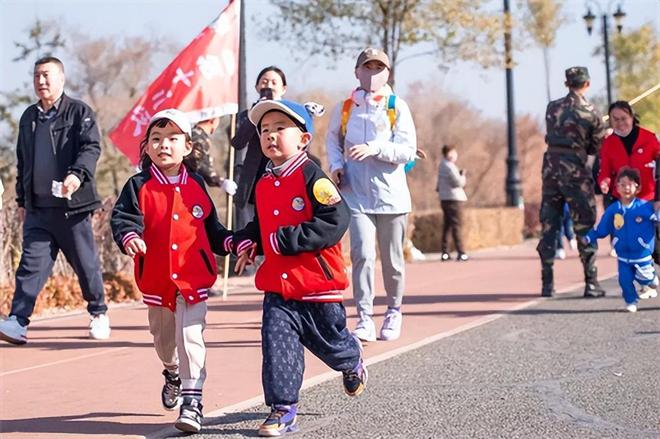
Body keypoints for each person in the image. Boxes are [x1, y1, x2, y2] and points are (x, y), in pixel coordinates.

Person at [232, 99, 367, 437]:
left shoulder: (313, 177)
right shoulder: (262, 183)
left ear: (304, 139)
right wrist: (251, 242)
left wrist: (287, 239)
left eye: (280, 128)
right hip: (278, 284)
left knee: (330, 341)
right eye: (264, 130)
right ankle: (283, 409)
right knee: (277, 342)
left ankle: (351, 360)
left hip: (317, 282)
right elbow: (263, 225)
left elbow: (336, 220)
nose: (270, 136)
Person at [110, 109, 233, 433]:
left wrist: (232, 242)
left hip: (193, 277)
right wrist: (130, 237)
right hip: (156, 280)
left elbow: (212, 228)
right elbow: (123, 220)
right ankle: (172, 372)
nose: (164, 145)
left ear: (188, 147)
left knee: (191, 336)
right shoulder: (139, 185)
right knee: (165, 341)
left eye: (173, 138)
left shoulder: (195, 184)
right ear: (147, 147)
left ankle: (193, 402)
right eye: (157, 139)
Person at [0, 56, 110, 345]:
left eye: (47, 75)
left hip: (71, 209)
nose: (41, 81)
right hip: (38, 209)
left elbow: (91, 147)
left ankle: (98, 313)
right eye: (37, 76)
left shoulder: (78, 112)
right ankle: (18, 321)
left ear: (61, 78)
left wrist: (76, 175)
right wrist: (23, 200)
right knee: (30, 267)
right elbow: (23, 160)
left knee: (85, 264)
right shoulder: (28, 117)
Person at [326, 47, 417, 342]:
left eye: (379, 68)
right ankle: (364, 316)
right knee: (362, 254)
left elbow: (407, 150)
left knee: (392, 260)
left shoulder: (396, 106)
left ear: (387, 73)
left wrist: (376, 148)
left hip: (392, 197)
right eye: (368, 68)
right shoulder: (345, 109)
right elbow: (332, 143)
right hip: (355, 195)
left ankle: (394, 310)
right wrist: (337, 167)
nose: (373, 73)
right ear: (357, 72)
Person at [537, 66, 608, 298]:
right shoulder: (592, 113)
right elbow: (594, 148)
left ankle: (547, 284)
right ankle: (591, 282)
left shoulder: (552, 107)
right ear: (586, 83)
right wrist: (600, 131)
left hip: (550, 170)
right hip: (575, 172)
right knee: (584, 223)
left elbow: (551, 135)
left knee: (549, 224)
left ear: (567, 83)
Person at [584, 167, 659, 313]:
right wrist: (590, 237)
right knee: (624, 280)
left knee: (646, 278)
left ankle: (651, 280)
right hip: (623, 255)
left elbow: (656, 218)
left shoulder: (644, 207)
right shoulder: (614, 209)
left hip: (642, 254)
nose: (626, 188)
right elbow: (603, 227)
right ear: (617, 187)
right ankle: (631, 301)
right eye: (622, 185)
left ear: (638, 188)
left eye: (630, 184)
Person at [597, 100, 660, 261]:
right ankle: (646, 283)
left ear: (632, 117)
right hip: (625, 202)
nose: (620, 123)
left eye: (623, 118)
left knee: (656, 246)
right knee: (635, 247)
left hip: (649, 199)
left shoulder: (649, 138)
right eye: (615, 119)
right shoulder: (608, 143)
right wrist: (604, 182)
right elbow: (604, 171)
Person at [231, 66, 288, 233]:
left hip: (281, 178)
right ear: (257, 87)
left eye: (273, 82)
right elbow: (238, 143)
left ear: (283, 88)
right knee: (252, 230)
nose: (268, 85)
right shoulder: (246, 115)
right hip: (254, 180)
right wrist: (255, 113)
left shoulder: (291, 114)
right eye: (264, 82)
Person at [184, 117, 238, 195]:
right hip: (188, 185)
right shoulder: (198, 138)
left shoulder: (196, 135)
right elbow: (200, 166)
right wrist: (221, 182)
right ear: (213, 120)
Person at [436, 144, 469, 262]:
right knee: (457, 225)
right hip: (454, 199)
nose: (455, 155)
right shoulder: (449, 166)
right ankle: (461, 252)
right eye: (453, 152)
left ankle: (445, 252)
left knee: (447, 226)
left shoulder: (442, 165)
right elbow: (458, 183)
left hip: (444, 198)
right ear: (448, 153)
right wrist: (463, 175)